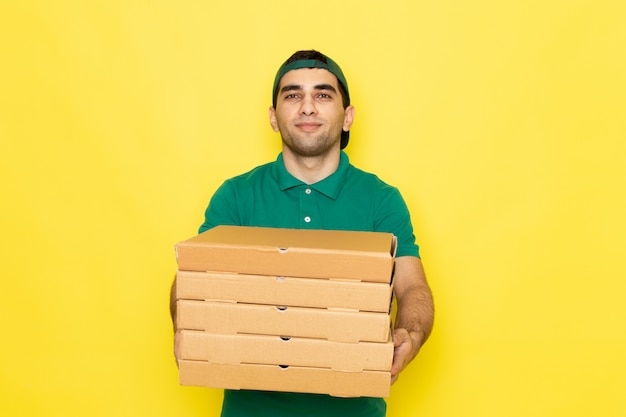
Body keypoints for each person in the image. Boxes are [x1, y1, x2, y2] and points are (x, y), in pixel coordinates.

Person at [170, 50, 434, 417]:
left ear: (348, 117)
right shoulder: (236, 195)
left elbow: (412, 287)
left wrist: (412, 335)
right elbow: (194, 279)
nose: (307, 107)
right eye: (292, 95)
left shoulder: (381, 200)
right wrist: (187, 323)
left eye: (323, 95)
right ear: (273, 118)